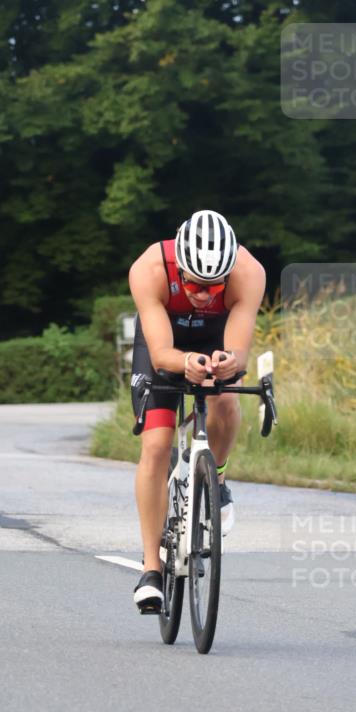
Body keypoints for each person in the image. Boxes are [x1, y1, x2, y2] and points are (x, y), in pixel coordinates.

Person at [128, 210, 266, 613]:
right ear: (178, 269)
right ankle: (152, 568)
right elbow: (160, 353)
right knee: (156, 445)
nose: (203, 293)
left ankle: (217, 479)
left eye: (214, 286)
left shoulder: (249, 272)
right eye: (193, 284)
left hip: (214, 336)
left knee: (225, 399)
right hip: (165, 340)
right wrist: (184, 361)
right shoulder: (148, 268)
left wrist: (228, 363)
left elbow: (239, 351)